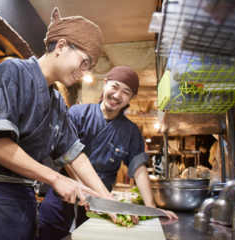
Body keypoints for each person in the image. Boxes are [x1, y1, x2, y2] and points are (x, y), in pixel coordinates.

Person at [0, 8, 117, 240]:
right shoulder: (11, 72)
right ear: (60, 46)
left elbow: (73, 154)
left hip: (24, 204)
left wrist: (106, 198)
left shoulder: (57, 101)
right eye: (84, 62)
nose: (84, 71)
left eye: (89, 67)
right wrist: (56, 178)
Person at [37, 66, 179, 239]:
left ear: (131, 98)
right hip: (64, 198)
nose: (117, 95)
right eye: (114, 86)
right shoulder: (77, 114)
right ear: (105, 84)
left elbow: (139, 169)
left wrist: (150, 207)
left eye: (126, 92)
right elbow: (67, 156)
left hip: (102, 208)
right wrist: (87, 192)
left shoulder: (131, 131)